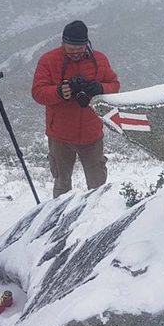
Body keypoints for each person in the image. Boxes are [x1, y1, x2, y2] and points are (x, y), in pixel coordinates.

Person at [31, 20, 120, 197]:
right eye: (70, 50)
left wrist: (100, 88)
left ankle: (96, 214)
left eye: (79, 50)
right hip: (60, 136)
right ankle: (59, 215)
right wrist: (58, 92)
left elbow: (115, 84)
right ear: (63, 43)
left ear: (87, 44)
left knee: (98, 185)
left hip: (91, 133)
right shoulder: (49, 60)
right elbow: (37, 92)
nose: (75, 54)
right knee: (62, 183)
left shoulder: (99, 60)